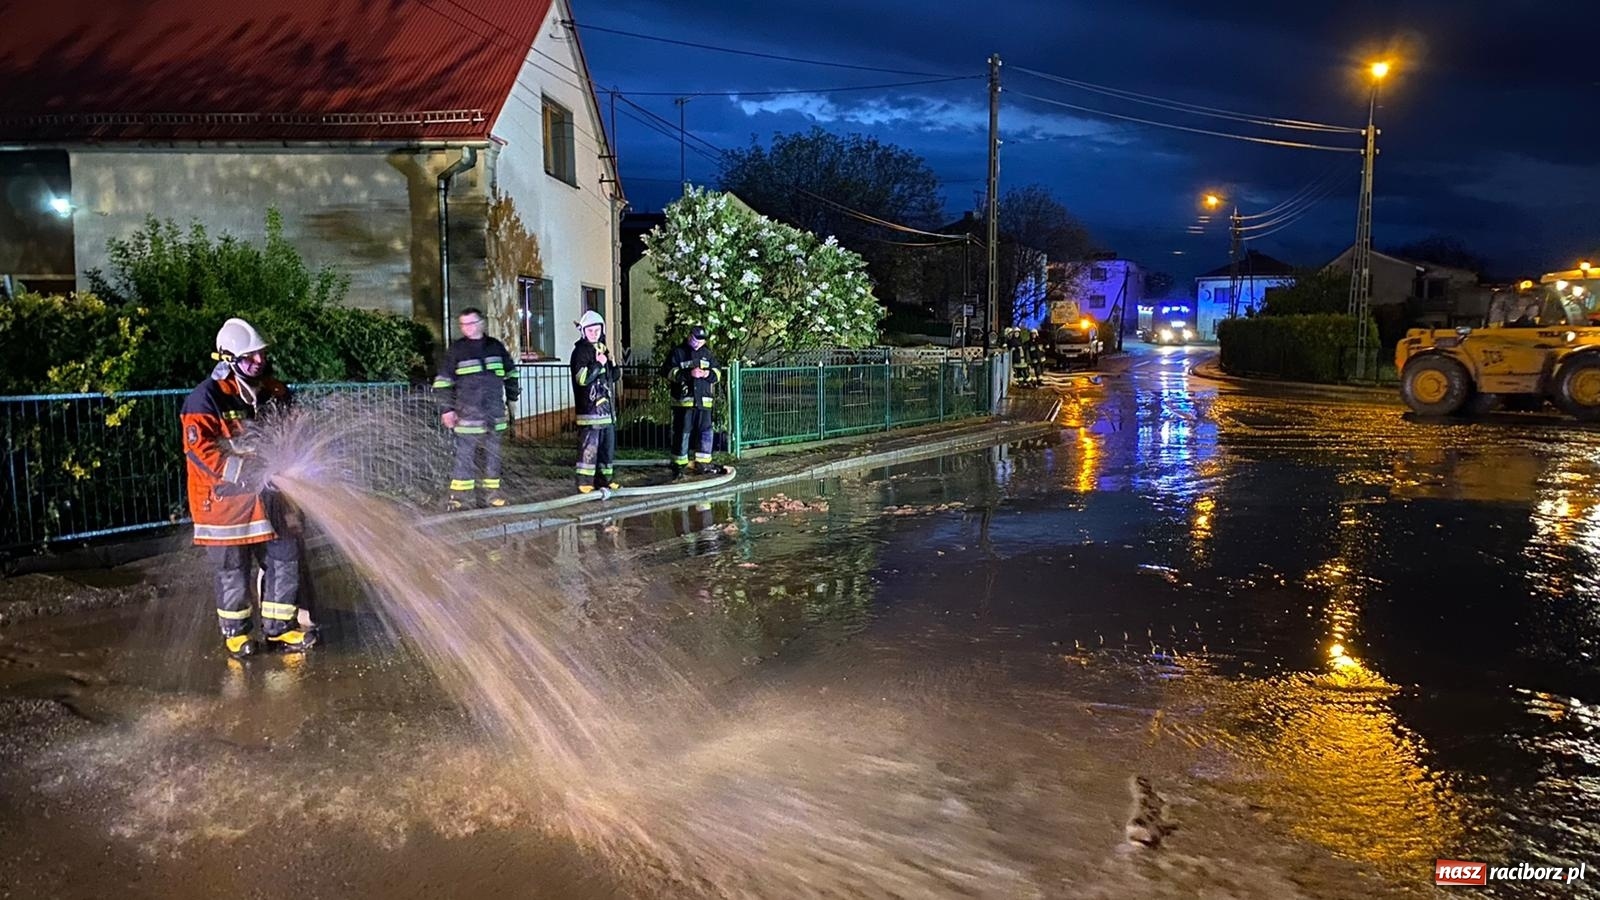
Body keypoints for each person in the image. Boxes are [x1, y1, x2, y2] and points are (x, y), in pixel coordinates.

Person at [180, 317, 314, 660]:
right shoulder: (204, 399)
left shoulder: (273, 391)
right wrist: (249, 473)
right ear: (227, 360)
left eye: (261, 355)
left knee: (284, 558)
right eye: (248, 357)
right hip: (224, 504)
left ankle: (279, 629)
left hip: (270, 497)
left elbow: (295, 425)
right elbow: (202, 453)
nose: (258, 362)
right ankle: (237, 635)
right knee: (232, 570)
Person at [433, 307, 519, 510]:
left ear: (481, 323)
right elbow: (443, 383)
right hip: (467, 415)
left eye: (471, 323)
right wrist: (447, 410)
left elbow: (511, 374)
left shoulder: (495, 347)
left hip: (493, 414)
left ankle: (491, 494)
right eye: (463, 324)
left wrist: (512, 398)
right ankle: (459, 497)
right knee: (464, 457)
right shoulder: (457, 351)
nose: (467, 328)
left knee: (493, 457)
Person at [661, 324, 723, 479]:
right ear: (689, 336)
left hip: (704, 403)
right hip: (684, 403)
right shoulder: (678, 353)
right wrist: (689, 374)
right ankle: (679, 466)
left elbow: (717, 373)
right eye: (696, 339)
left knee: (705, 433)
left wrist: (706, 373)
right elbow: (668, 372)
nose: (698, 343)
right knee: (683, 433)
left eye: (701, 340)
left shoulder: (707, 354)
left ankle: (703, 464)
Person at [570, 310, 619, 494]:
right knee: (589, 448)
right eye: (590, 330)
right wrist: (598, 364)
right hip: (589, 411)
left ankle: (605, 480)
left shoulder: (602, 349)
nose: (594, 333)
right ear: (583, 332)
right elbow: (582, 379)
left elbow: (614, 377)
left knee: (607, 448)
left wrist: (611, 362)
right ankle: (584, 481)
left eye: (597, 330)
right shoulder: (581, 352)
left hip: (606, 411)